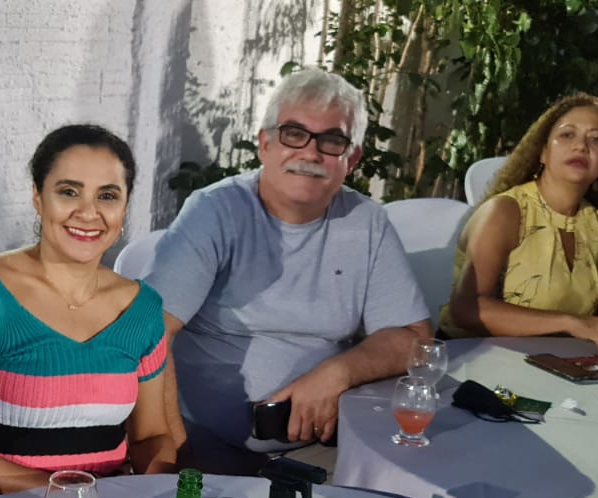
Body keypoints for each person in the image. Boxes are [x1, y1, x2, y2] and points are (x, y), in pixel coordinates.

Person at [144, 68, 432, 475]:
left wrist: (337, 374)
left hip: (322, 448)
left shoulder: (366, 222)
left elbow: (416, 339)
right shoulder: (215, 211)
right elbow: (149, 334)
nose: (310, 154)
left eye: (332, 141)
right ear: (264, 144)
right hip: (202, 446)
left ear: (351, 160)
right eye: (294, 134)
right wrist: (176, 457)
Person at [0, 124, 175, 498]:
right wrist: (67, 497)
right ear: (38, 197)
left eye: (107, 196)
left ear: (123, 208)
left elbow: (151, 436)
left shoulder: (142, 308)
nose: (88, 212)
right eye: (69, 191)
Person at [442, 94, 598, 353]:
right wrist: (569, 323)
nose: (580, 146)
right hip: (474, 360)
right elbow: (466, 310)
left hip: (558, 364)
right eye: (567, 135)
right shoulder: (505, 212)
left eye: (597, 139)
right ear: (542, 150)